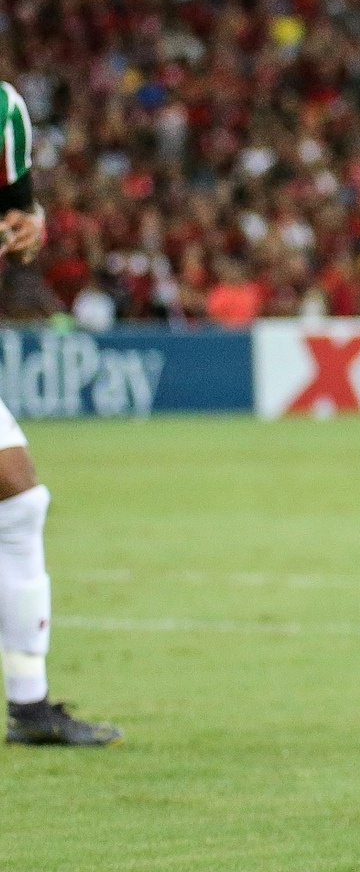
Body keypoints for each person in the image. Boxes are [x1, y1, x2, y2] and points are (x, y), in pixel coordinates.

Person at [0, 80, 121, 746]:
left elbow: (19, 219)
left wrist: (29, 226)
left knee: (18, 500)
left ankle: (31, 706)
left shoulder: (4, 113)